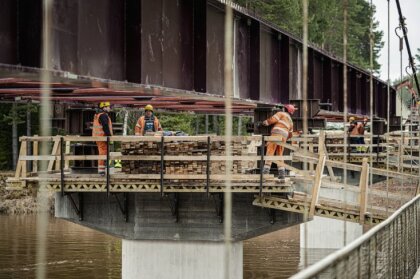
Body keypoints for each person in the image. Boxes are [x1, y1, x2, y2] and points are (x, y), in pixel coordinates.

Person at [261, 104, 297, 179]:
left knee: (270, 150)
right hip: (284, 137)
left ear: (285, 109)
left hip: (276, 134)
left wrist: (264, 123)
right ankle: (282, 174)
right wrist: (284, 139)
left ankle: (265, 172)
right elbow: (290, 134)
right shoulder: (290, 120)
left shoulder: (281, 113)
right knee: (279, 154)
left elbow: (272, 119)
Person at [92, 102, 113, 176]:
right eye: (108, 107)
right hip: (102, 138)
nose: (109, 108)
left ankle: (102, 170)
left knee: (103, 153)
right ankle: (101, 171)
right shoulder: (103, 116)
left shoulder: (98, 115)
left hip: (99, 138)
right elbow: (105, 126)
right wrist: (109, 136)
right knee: (103, 154)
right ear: (104, 108)